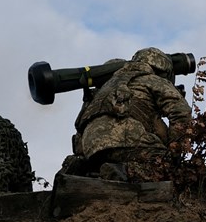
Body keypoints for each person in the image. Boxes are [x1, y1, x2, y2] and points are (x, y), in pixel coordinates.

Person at [63, 48, 192, 181]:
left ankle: (84, 167)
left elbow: (80, 125)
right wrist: (175, 152)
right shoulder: (152, 80)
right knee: (165, 166)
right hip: (126, 140)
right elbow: (181, 113)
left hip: (91, 147)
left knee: (105, 161)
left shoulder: (106, 85)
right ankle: (123, 171)